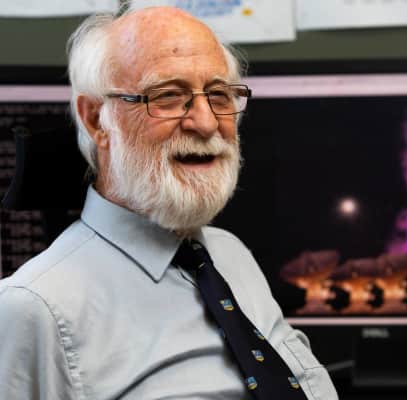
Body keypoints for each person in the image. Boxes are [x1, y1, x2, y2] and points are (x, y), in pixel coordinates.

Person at [0, 6, 338, 400]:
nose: (207, 123)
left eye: (219, 94)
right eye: (168, 96)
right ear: (96, 120)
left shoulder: (230, 255)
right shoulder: (34, 309)